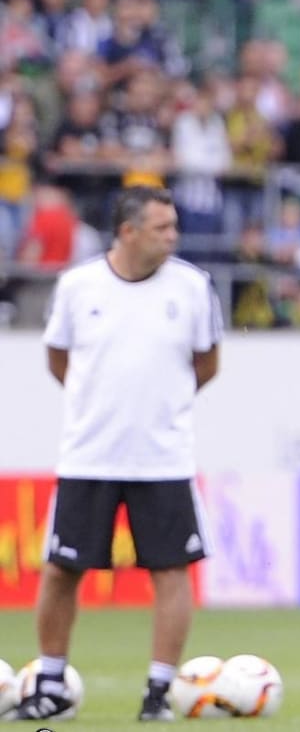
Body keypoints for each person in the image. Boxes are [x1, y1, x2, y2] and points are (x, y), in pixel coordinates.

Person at [16, 187, 222, 722]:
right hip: (89, 456)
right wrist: (100, 406)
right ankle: (51, 683)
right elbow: (58, 359)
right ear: (127, 232)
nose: (173, 236)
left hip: (163, 458)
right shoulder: (77, 286)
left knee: (171, 571)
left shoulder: (193, 287)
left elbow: (207, 363)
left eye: (174, 225)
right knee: (62, 569)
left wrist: (161, 407)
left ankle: (159, 693)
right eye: (161, 227)